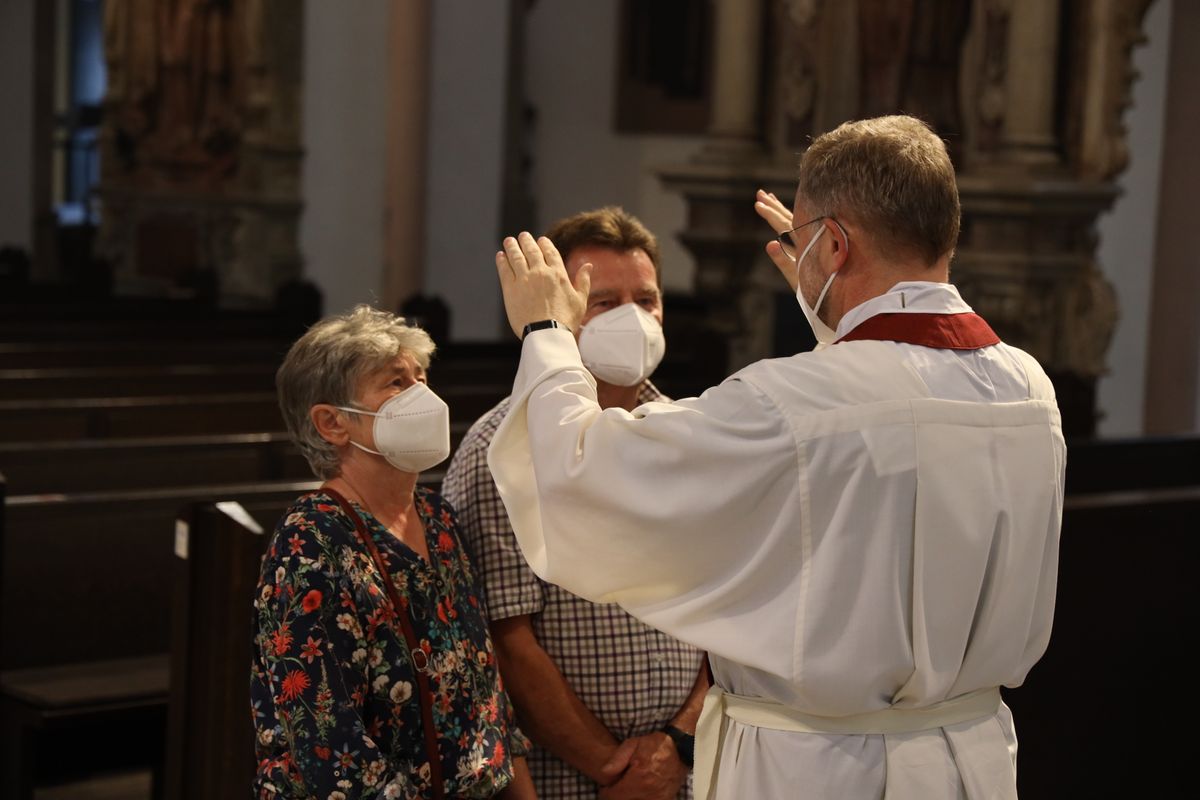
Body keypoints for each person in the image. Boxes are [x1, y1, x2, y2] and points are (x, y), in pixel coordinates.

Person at [485, 116, 1065, 799]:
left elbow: (582, 475)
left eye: (810, 238)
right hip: (969, 758)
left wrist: (548, 333)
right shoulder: (1028, 387)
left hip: (819, 768)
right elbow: (878, 438)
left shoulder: (791, 402)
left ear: (838, 243)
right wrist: (838, 318)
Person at [442, 207, 710, 799]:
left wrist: (680, 746)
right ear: (559, 312)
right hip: (575, 780)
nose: (634, 320)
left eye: (646, 299)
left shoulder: (689, 429)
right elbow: (507, 642)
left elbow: (722, 609)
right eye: (605, 302)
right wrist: (617, 770)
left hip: (689, 770)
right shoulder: (502, 446)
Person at [250, 306, 536, 799]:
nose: (423, 395)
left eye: (422, 378)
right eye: (396, 383)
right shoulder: (310, 542)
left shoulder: (437, 518)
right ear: (332, 423)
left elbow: (483, 684)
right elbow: (328, 742)